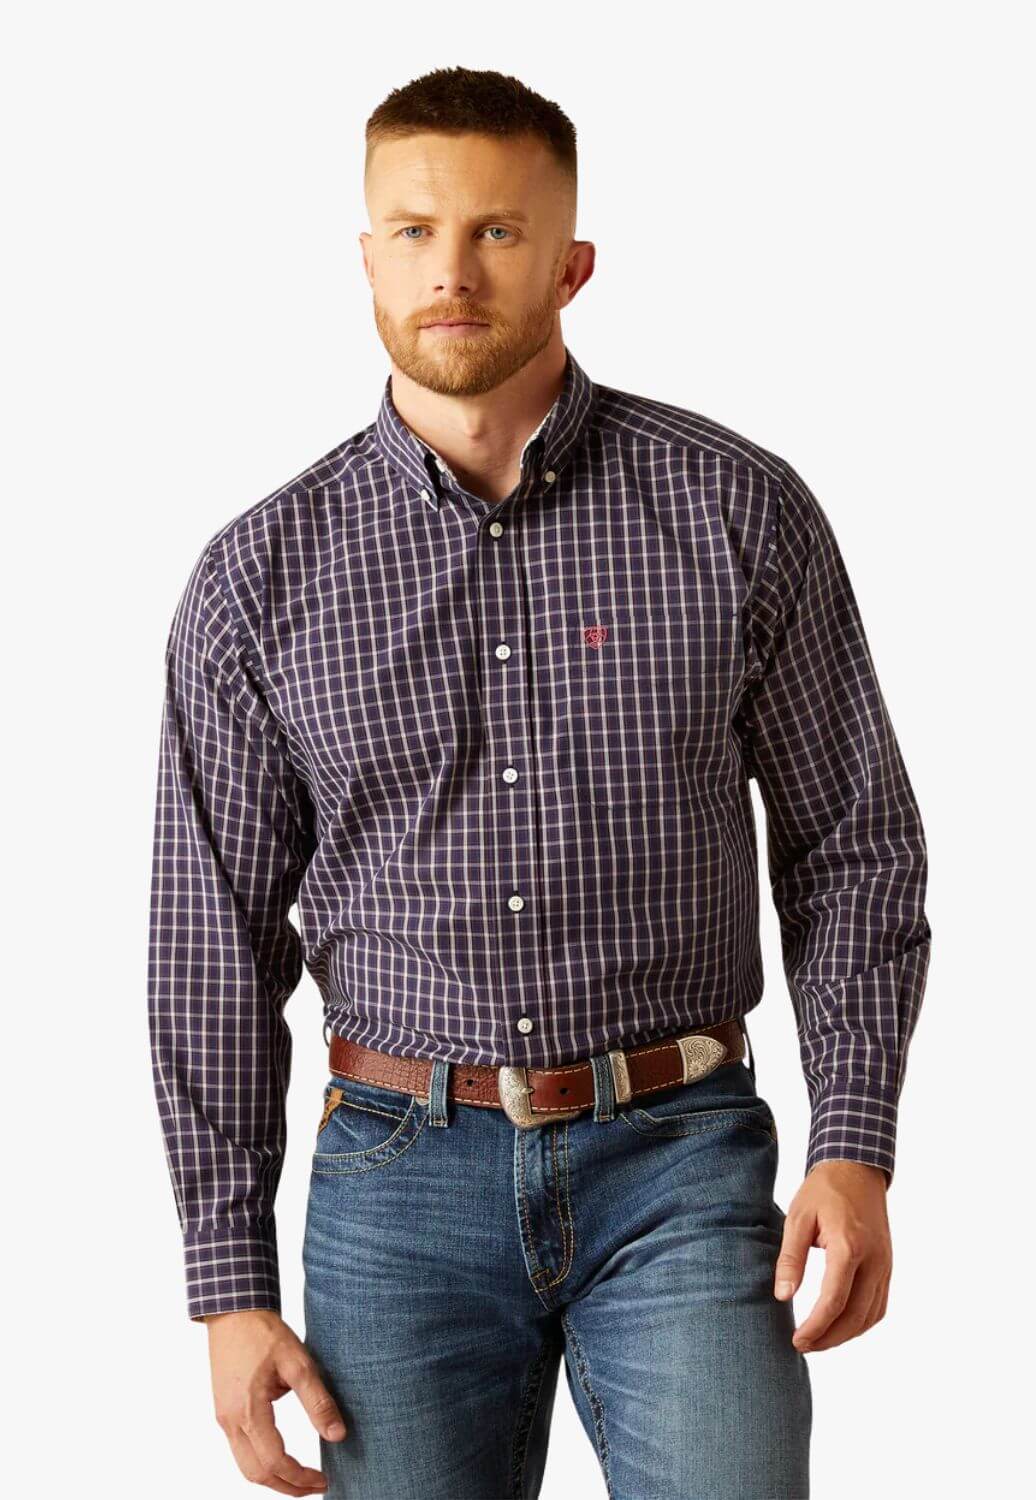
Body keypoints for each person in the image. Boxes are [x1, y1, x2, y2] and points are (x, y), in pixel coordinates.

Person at [147, 65, 931, 1500]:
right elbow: (213, 944)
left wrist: (856, 1141)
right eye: (414, 231)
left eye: (497, 232)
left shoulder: (738, 512)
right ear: (366, 258)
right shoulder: (257, 581)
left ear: (572, 263)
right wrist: (228, 1283)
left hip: (683, 1163)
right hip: (396, 1189)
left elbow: (853, 842)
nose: (451, 271)